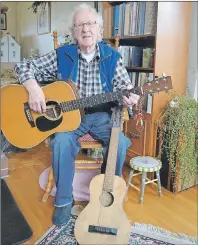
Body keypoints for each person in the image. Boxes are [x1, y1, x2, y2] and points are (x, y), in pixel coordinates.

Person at [15, 3, 140, 226]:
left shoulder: (113, 57)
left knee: (118, 143)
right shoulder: (63, 53)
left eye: (91, 24)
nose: (86, 29)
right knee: (61, 142)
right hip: (70, 116)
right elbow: (23, 66)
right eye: (80, 25)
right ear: (73, 31)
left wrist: (130, 98)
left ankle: (105, 197)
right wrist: (34, 88)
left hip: (102, 116)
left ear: (99, 29)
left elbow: (126, 88)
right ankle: (63, 201)